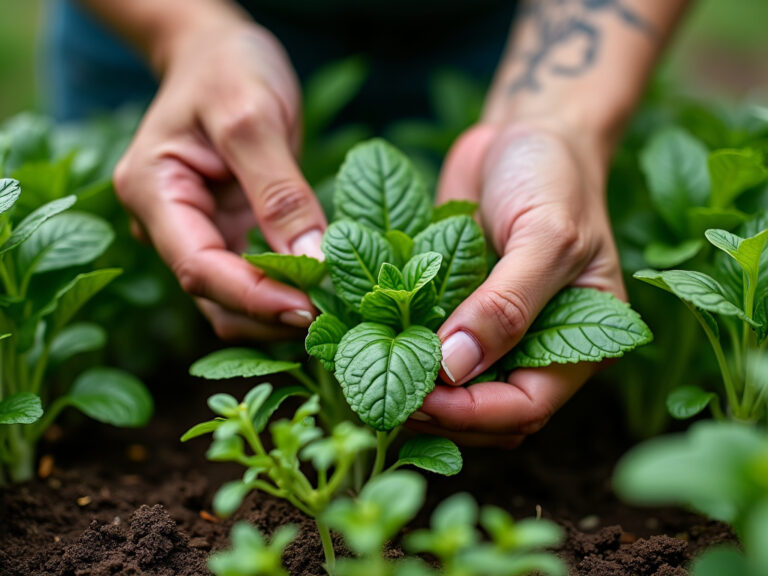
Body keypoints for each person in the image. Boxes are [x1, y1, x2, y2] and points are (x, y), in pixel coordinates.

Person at [54, 0, 689, 447]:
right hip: (167, 31)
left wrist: (559, 122)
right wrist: (186, 31)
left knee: (518, 265)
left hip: (511, 38)